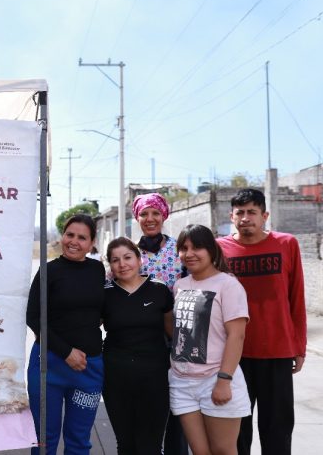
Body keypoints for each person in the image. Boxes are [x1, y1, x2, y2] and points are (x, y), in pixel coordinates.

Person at [216, 188, 306, 455]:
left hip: (277, 351)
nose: (246, 218)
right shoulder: (220, 248)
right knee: (237, 429)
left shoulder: (286, 243)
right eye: (240, 212)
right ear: (231, 216)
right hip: (234, 354)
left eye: (252, 212)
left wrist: (299, 347)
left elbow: (296, 298)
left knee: (277, 428)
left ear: (264, 215)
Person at [26, 214, 105, 455]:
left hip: (88, 368)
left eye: (82, 237)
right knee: (44, 440)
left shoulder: (97, 269)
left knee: (79, 440)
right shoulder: (48, 271)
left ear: (91, 243)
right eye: (70, 234)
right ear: (62, 236)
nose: (74, 241)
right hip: (48, 366)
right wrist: (66, 351)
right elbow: (33, 317)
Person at [170, 225, 250, 455]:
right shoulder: (180, 286)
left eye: (197, 247)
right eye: (184, 248)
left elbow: (237, 335)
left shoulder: (228, 284)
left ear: (212, 250)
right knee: (200, 452)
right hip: (182, 382)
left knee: (223, 450)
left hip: (215, 379)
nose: (189, 253)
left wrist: (224, 380)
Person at [102, 237, 174, 454]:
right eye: (115, 260)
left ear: (139, 259)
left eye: (127, 257)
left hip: (155, 376)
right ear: (110, 265)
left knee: (151, 445)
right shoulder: (105, 294)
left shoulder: (159, 290)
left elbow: (173, 333)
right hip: (116, 377)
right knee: (126, 444)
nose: (122, 264)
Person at [131, 192, 188, 454]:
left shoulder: (180, 249)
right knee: (147, 408)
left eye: (155, 213)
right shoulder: (130, 254)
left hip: (180, 337)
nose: (150, 219)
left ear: (164, 215)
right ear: (137, 217)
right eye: (144, 214)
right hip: (144, 340)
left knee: (178, 406)